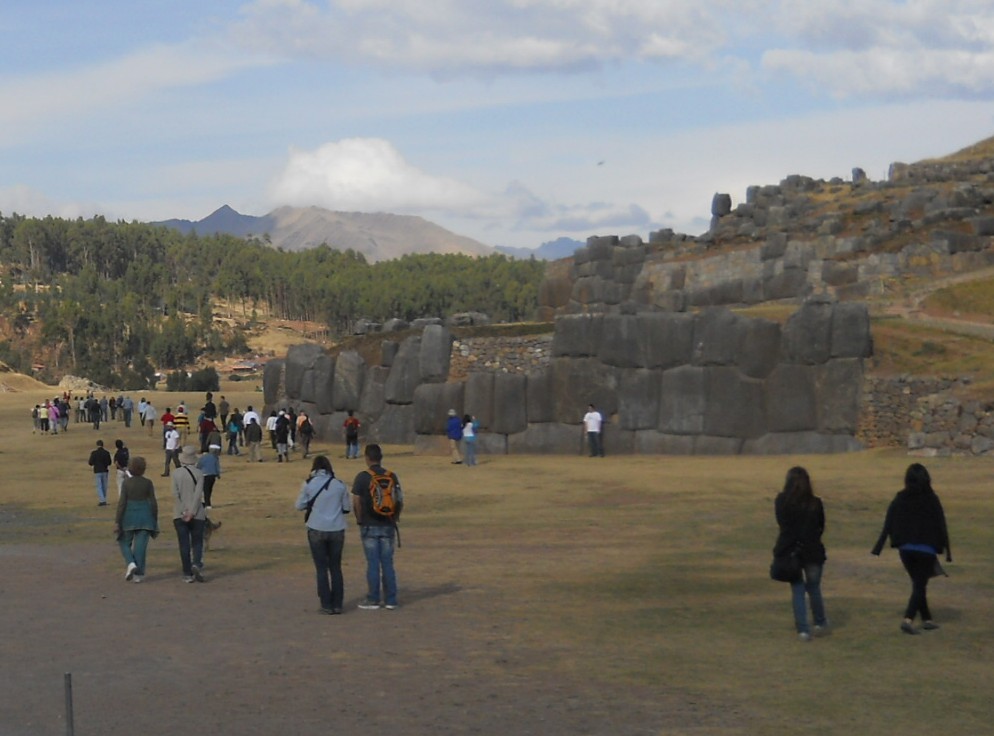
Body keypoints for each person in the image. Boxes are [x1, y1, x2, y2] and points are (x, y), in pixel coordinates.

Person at [871, 463, 952, 635]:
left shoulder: (900, 498)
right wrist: (946, 549)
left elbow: (889, 521)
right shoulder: (932, 499)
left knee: (918, 583)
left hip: (906, 549)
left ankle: (927, 619)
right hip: (926, 549)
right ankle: (908, 619)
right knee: (919, 585)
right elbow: (941, 523)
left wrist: (880, 545)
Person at [773, 467, 828, 642]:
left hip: (791, 551)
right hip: (813, 550)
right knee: (814, 588)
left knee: (797, 589)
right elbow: (820, 526)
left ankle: (803, 630)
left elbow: (782, 524)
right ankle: (819, 622)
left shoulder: (781, 501)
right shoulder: (815, 503)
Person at [296, 456, 351, 615]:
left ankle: (326, 604)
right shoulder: (339, 484)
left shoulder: (308, 484)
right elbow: (346, 508)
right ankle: (338, 604)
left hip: (316, 527)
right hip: (337, 529)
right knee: (335, 567)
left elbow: (299, 505)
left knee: (321, 568)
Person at [351, 444, 403, 610]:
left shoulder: (362, 477)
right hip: (388, 524)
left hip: (369, 525)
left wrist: (359, 519)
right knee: (387, 563)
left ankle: (373, 598)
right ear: (381, 457)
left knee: (373, 563)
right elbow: (399, 500)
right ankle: (391, 599)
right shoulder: (391, 476)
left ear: (367, 458)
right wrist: (395, 517)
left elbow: (356, 501)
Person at [114, 456, 159, 583]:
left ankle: (130, 562)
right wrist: (154, 519)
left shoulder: (126, 483)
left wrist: (117, 520)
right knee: (140, 547)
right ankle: (138, 574)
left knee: (123, 541)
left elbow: (122, 503)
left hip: (129, 516)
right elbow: (153, 503)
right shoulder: (148, 483)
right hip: (145, 516)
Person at [171, 445, 206, 583]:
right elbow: (198, 495)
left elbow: (175, 495)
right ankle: (196, 563)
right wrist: (192, 512)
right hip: (197, 514)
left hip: (179, 514)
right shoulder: (199, 474)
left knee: (184, 544)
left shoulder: (176, 474)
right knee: (197, 542)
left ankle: (187, 573)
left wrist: (183, 511)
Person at [88, 439, 113, 506]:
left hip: (97, 471)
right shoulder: (106, 452)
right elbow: (109, 462)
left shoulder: (94, 453)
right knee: (104, 486)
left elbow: (90, 462)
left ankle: (102, 500)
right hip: (105, 470)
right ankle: (103, 499)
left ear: (97, 445)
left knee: (99, 486)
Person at [197, 445, 222, 510]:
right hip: (212, 476)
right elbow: (217, 467)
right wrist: (218, 475)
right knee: (209, 489)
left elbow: (199, 465)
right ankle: (207, 502)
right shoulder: (215, 458)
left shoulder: (203, 457)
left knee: (205, 490)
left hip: (205, 475)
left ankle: (207, 504)